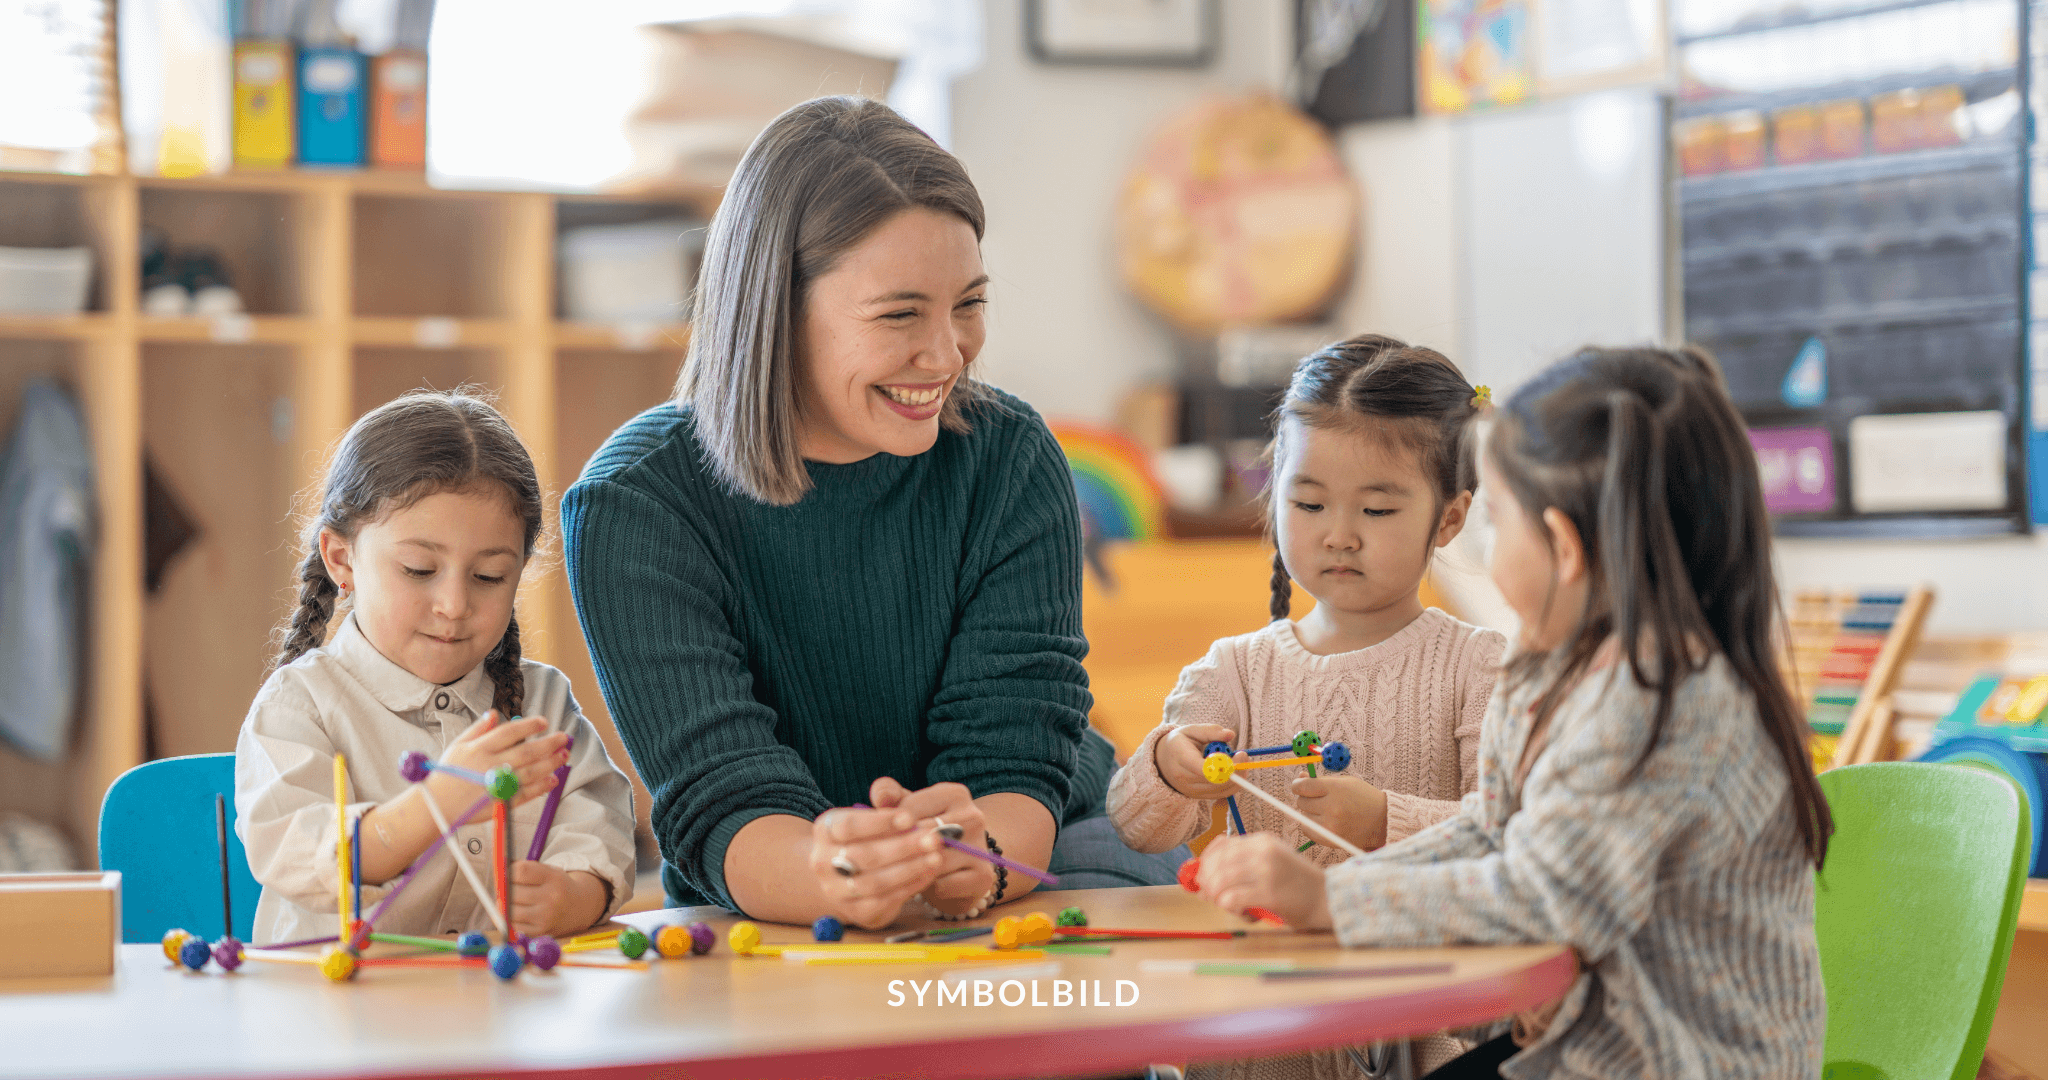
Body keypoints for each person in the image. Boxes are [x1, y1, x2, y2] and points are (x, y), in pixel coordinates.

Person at [562, 96, 1183, 931]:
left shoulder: (1009, 457)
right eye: (900, 314)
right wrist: (841, 877)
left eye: (968, 303)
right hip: (781, 899)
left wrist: (978, 864)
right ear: (774, 311)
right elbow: (720, 800)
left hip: (1052, 854)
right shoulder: (635, 503)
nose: (949, 352)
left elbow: (1018, 759)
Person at [1191, 346, 1832, 1080]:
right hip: (1589, 1050)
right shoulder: (1548, 671)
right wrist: (1331, 896)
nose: (1483, 545)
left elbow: (1544, 897)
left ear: (1560, 546)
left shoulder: (1666, 702)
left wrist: (1332, 900)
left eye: (1497, 519)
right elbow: (1493, 831)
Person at [1108, 335, 1505, 1077]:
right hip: (1260, 1036)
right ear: (1274, 495)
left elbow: (1515, 836)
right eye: (1309, 501)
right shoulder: (1233, 671)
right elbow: (1135, 827)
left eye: (1379, 509)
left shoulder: (1478, 666)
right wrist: (1168, 767)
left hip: (1421, 1032)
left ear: (1449, 520)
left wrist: (1386, 819)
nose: (1339, 533)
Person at [237, 391, 635, 944]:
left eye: (490, 576)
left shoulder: (542, 704)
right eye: (419, 569)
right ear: (341, 559)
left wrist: (573, 896)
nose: (454, 604)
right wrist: (438, 802)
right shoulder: (298, 704)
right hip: (334, 1013)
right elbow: (301, 851)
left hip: (494, 1010)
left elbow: (601, 830)